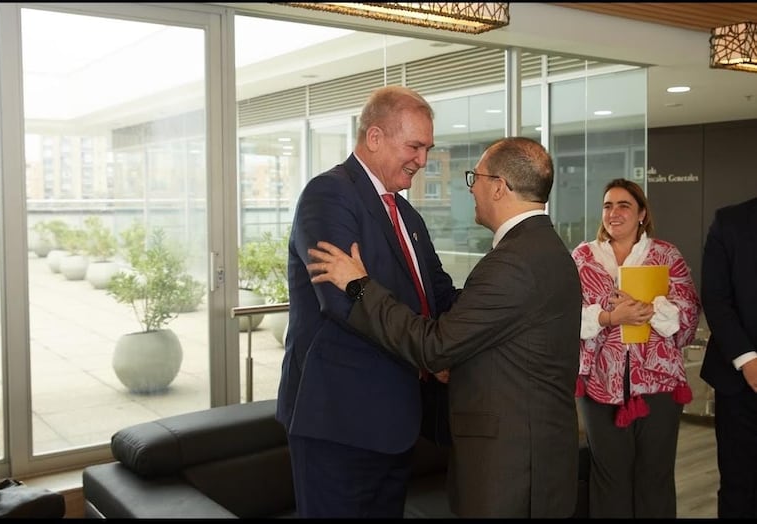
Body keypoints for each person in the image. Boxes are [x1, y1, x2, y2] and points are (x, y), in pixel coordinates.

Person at [306, 136, 583, 518]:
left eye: (477, 178)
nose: (471, 188)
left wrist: (359, 286)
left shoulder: (513, 262)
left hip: (513, 464)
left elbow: (435, 346)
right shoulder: (547, 249)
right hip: (535, 454)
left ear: (500, 188)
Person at [275, 85, 457, 518]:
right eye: (414, 146)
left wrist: (506, 293)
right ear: (374, 138)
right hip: (338, 419)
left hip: (395, 422)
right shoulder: (329, 194)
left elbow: (439, 294)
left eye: (428, 148)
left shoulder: (407, 215)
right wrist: (430, 353)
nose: (423, 160)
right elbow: (343, 301)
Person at [571, 178, 700, 518]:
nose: (614, 213)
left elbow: (687, 315)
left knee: (654, 476)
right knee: (608, 476)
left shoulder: (666, 255)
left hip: (658, 385)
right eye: (607, 206)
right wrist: (611, 316)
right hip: (599, 385)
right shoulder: (582, 258)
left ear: (642, 213)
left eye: (623, 205)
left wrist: (646, 309)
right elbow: (564, 315)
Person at [700, 196, 757, 518]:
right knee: (738, 486)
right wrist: (747, 360)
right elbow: (716, 298)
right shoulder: (730, 222)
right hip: (738, 384)